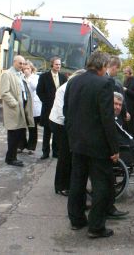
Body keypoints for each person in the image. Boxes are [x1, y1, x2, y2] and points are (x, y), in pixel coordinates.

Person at [64, 51, 119, 238]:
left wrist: (72, 139)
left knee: (77, 182)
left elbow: (67, 112)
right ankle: (96, 226)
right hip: (97, 146)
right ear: (103, 66)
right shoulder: (104, 83)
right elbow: (107, 119)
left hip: (77, 143)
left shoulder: (73, 82)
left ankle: (76, 220)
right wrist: (114, 148)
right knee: (102, 185)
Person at [49, 69, 86, 197]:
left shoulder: (70, 86)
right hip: (60, 124)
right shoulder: (65, 88)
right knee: (64, 156)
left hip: (64, 123)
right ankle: (61, 186)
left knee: (67, 156)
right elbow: (62, 111)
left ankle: (65, 184)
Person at [0, 55, 34, 167]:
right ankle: (10, 158)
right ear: (14, 62)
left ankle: (12, 157)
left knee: (19, 133)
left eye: (24, 64)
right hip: (14, 109)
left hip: (22, 107)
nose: (22, 66)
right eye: (20, 63)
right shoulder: (7, 74)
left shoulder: (20, 74)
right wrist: (14, 104)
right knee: (13, 134)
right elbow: (4, 92)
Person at [37, 56, 67, 159]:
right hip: (47, 108)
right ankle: (45, 152)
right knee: (47, 132)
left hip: (59, 109)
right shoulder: (44, 76)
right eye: (56, 64)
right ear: (52, 65)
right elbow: (39, 91)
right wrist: (46, 101)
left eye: (59, 64)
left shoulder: (63, 77)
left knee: (57, 132)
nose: (58, 66)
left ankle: (56, 152)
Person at [24, 60, 42, 153]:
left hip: (33, 106)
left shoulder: (36, 77)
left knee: (32, 127)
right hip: (24, 104)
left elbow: (35, 87)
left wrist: (28, 78)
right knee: (22, 127)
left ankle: (31, 147)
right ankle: (21, 145)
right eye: (24, 69)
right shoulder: (20, 77)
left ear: (31, 69)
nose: (26, 70)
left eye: (28, 68)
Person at [123, 66, 134, 138]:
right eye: (124, 73)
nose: (125, 75)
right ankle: (127, 139)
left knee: (131, 124)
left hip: (132, 107)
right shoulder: (126, 80)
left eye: (126, 73)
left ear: (130, 73)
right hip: (125, 105)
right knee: (125, 124)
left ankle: (133, 139)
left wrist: (126, 90)